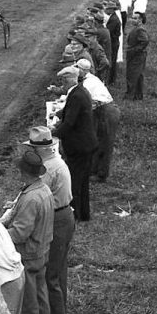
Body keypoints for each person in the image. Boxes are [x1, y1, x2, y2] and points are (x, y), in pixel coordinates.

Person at [0, 148, 55, 314]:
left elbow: (20, 233)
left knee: (29, 304)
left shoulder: (31, 198)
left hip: (29, 255)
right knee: (42, 298)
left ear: (24, 173)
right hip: (42, 251)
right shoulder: (43, 190)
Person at [23, 127, 74, 314]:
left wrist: (23, 206)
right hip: (64, 215)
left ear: (38, 149)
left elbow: (40, 200)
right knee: (58, 271)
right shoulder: (56, 162)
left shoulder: (48, 170)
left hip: (58, 219)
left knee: (50, 275)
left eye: (32, 148)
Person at [52, 65, 97, 222]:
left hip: (79, 146)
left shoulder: (77, 95)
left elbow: (69, 122)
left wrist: (53, 134)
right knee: (82, 182)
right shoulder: (79, 91)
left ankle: (74, 215)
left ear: (70, 80)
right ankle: (83, 214)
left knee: (75, 182)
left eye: (63, 80)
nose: (62, 83)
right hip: (85, 144)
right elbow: (69, 113)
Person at [124, 11, 149, 100]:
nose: (132, 20)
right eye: (132, 18)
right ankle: (137, 95)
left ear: (140, 20)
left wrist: (135, 50)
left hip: (137, 56)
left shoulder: (140, 29)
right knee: (137, 75)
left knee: (133, 75)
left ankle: (131, 95)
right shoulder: (137, 28)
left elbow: (145, 41)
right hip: (137, 55)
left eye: (135, 18)